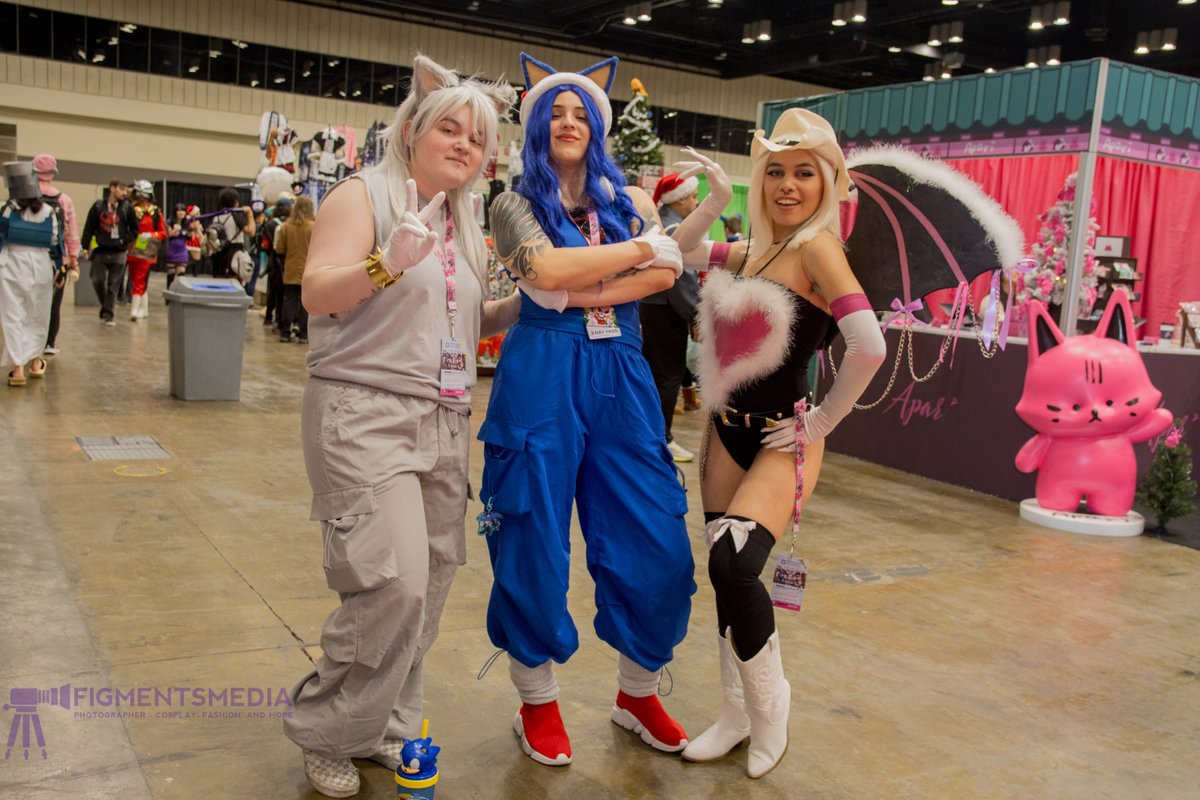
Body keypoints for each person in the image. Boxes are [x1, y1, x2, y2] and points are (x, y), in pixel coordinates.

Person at [478, 52, 730, 767]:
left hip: (620, 367)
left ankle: (638, 691)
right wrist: (598, 272)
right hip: (542, 371)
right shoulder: (513, 201)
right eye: (553, 112)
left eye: (579, 111)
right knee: (529, 532)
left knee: (653, 531)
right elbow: (544, 269)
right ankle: (537, 703)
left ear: (597, 125)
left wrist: (579, 292)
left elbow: (664, 269)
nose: (567, 121)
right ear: (535, 128)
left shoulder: (633, 203)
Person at [282, 54, 518, 799]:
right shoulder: (366, 194)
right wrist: (385, 263)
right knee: (392, 582)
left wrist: (531, 307)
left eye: (476, 139)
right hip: (364, 413)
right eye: (449, 128)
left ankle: (382, 725)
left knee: (435, 579)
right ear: (412, 130)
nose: (463, 146)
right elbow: (317, 293)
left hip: (444, 416)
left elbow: (465, 318)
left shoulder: (463, 215)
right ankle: (329, 730)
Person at [676, 108, 887, 778]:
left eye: (803, 172)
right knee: (722, 575)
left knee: (736, 566)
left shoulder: (819, 250)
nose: (788, 185)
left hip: (780, 439)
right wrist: (712, 203)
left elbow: (869, 346)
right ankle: (734, 713)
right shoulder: (755, 249)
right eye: (775, 172)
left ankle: (771, 710)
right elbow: (679, 252)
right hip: (725, 433)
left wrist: (822, 419)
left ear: (828, 181)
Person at [640, 171, 703, 462]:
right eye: (692, 195)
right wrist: (696, 314)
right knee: (668, 376)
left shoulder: (659, 223)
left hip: (653, 307)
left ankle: (652, 436)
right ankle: (661, 438)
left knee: (654, 375)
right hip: (667, 307)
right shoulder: (674, 228)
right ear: (677, 200)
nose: (696, 200)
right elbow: (681, 277)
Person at [1, 161, 59, 385]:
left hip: (11, 264)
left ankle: (17, 370)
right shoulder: (48, 212)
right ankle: (36, 362)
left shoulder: (7, 209)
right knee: (38, 313)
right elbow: (55, 241)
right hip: (40, 264)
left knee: (13, 315)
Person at [33, 154, 80, 356]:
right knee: (53, 300)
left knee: (28, 300)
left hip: (24, 258)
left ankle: (28, 342)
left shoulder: (22, 197)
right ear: (53, 173)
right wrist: (74, 259)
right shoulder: (64, 200)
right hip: (55, 258)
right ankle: (49, 342)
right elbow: (71, 233)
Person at [80, 179, 138, 327]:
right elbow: (88, 228)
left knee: (114, 285)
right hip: (100, 251)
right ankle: (106, 306)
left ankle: (109, 315)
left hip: (119, 253)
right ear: (112, 188)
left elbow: (135, 229)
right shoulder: (98, 206)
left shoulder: (127, 208)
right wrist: (84, 247)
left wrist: (125, 241)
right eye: (122, 189)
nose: (124, 193)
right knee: (97, 280)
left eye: (126, 190)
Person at [125, 179, 167, 321]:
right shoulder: (130, 210)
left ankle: (134, 310)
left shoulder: (155, 213)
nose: (142, 199)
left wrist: (151, 235)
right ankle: (143, 308)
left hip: (147, 250)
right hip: (132, 249)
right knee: (134, 278)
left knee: (140, 279)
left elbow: (163, 232)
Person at [274, 195, 313, 343]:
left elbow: (279, 249)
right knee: (305, 302)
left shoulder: (286, 226)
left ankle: (285, 332)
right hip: (308, 270)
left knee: (288, 300)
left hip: (290, 269)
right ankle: (303, 334)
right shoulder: (313, 227)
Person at [207, 188, 255, 280]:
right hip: (234, 255)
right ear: (235, 201)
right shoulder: (235, 216)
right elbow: (251, 231)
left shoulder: (216, 217)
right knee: (233, 283)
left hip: (219, 256)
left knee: (219, 282)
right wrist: (250, 214)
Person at [261, 195, 292, 330]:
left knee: (272, 291)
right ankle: (279, 320)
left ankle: (268, 317)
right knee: (283, 294)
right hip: (287, 261)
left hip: (273, 261)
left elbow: (265, 245)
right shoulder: (291, 224)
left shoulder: (269, 224)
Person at [163, 203, 191, 296]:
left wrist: (192, 231)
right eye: (179, 210)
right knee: (171, 273)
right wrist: (175, 230)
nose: (181, 212)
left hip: (182, 250)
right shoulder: (169, 222)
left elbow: (189, 237)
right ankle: (169, 294)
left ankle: (179, 293)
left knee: (181, 272)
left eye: (183, 210)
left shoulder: (187, 223)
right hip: (171, 249)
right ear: (175, 212)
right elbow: (167, 235)